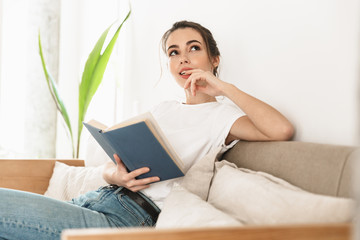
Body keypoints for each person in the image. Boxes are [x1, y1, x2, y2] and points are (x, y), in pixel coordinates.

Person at [0, 20, 294, 240]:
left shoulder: (222, 116)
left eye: (194, 48)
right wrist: (112, 174)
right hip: (100, 198)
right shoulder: (164, 108)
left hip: (129, 217)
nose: (183, 58)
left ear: (214, 59)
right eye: (173, 52)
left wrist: (223, 87)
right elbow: (121, 155)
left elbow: (280, 129)